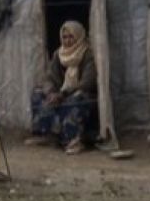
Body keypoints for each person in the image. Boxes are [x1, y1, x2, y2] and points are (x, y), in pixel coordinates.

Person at [28, 20, 98, 154]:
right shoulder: (58, 54)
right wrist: (51, 93)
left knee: (78, 99)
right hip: (60, 93)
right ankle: (45, 134)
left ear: (79, 36)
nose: (67, 40)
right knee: (37, 94)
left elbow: (87, 82)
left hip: (79, 93)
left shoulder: (87, 54)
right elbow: (50, 78)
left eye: (71, 36)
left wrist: (64, 94)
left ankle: (73, 140)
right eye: (65, 37)